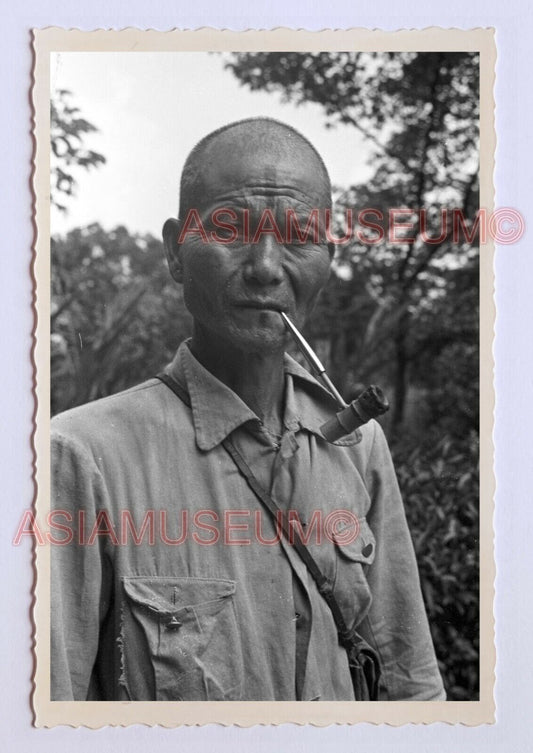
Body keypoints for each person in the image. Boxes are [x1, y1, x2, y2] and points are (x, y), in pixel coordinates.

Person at [51, 117, 445, 702]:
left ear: (326, 258)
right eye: (230, 230)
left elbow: (411, 683)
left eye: (297, 236)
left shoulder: (358, 446)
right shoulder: (82, 457)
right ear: (175, 251)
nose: (265, 266)